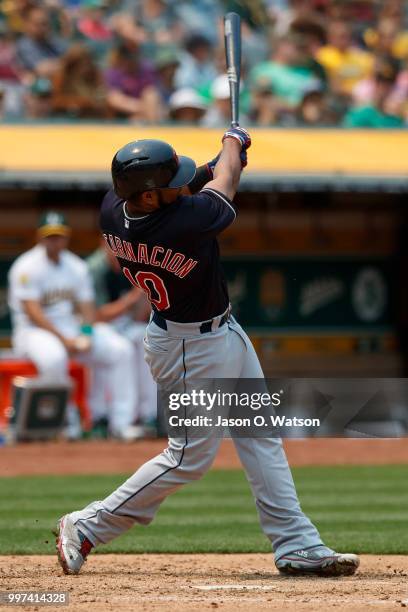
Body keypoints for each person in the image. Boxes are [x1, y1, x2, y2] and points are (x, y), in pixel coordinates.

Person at [56, 129, 360, 578]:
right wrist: (232, 144)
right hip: (187, 347)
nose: (181, 185)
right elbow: (223, 187)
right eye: (169, 185)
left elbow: (193, 183)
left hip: (218, 334)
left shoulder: (113, 208)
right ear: (150, 197)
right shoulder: (187, 221)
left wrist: (222, 159)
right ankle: (87, 524)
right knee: (187, 457)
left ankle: (296, 543)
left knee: (259, 437)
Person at [7, 211, 139, 440]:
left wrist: (86, 333)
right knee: (54, 358)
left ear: (67, 237)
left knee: (120, 350)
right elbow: (33, 312)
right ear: (40, 238)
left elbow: (87, 307)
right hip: (33, 332)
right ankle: (66, 423)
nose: (54, 240)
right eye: (49, 236)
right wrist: (64, 338)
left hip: (69, 327)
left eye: (58, 236)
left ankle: (120, 423)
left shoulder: (76, 266)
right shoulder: (26, 266)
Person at [87, 241, 157, 434]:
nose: (119, 251)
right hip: (97, 327)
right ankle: (105, 417)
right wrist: (132, 298)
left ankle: (148, 414)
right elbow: (96, 315)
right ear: (104, 245)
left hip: (124, 323)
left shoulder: (134, 264)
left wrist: (144, 295)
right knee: (118, 348)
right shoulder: (94, 268)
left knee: (147, 339)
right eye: (114, 246)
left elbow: (140, 315)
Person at [15, 5, 67, 81]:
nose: (43, 28)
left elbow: (70, 56)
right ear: (27, 24)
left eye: (45, 24)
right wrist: (65, 63)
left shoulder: (52, 41)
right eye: (38, 24)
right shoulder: (24, 45)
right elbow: (42, 69)